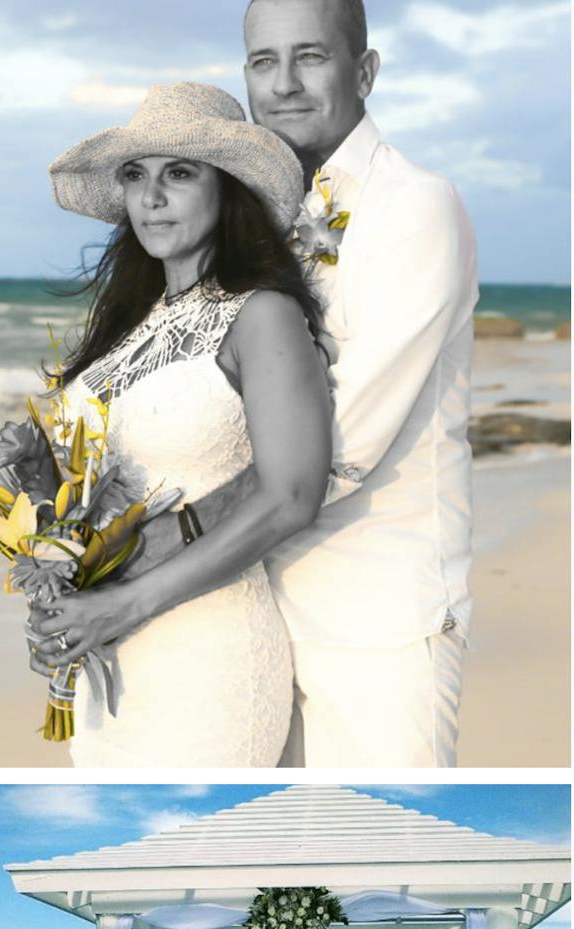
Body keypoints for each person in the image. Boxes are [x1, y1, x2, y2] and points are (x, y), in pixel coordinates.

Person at [38, 0, 477, 766]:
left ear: (365, 71)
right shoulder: (251, 227)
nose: (284, 85)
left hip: (372, 608)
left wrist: (165, 538)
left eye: (311, 56)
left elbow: (347, 441)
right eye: (263, 62)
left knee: (375, 828)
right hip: (242, 601)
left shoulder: (413, 206)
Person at [28, 82, 331, 765]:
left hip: (206, 656)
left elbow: (292, 497)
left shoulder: (262, 314)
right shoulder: (128, 328)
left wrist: (127, 603)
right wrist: (57, 586)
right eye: (136, 175)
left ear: (228, 188)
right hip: (109, 662)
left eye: (179, 174)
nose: (151, 197)